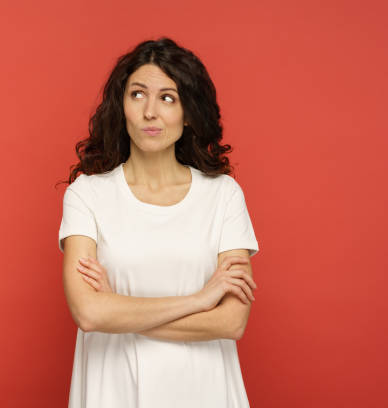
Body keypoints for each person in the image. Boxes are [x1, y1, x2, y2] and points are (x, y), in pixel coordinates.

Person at [57, 37, 260, 408]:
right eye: (137, 94)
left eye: (168, 97)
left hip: (205, 390)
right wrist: (199, 301)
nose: (151, 112)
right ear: (122, 105)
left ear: (188, 112)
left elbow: (231, 322)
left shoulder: (223, 195)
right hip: (114, 390)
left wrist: (118, 309)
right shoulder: (87, 195)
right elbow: (88, 313)